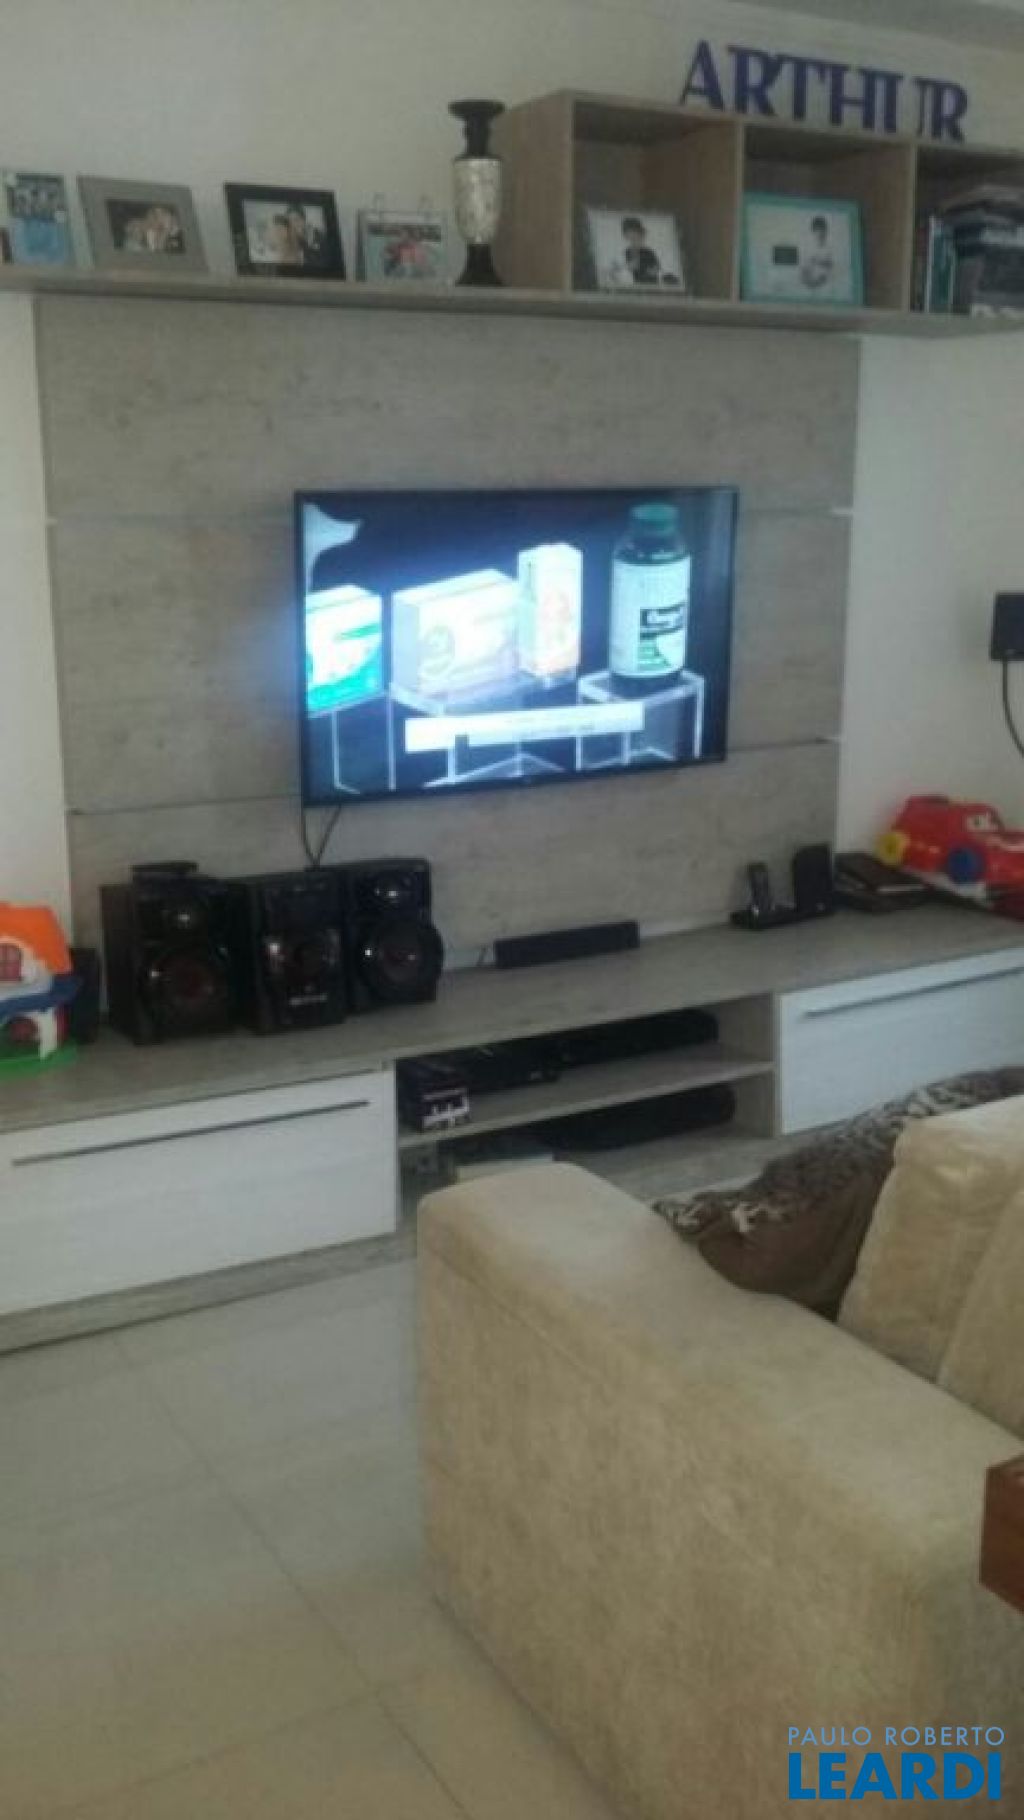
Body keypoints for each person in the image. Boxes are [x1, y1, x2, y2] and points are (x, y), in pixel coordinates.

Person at [620, 215, 662, 285]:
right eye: (632, 238)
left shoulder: (648, 252)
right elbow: (630, 267)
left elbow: (656, 267)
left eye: (636, 235)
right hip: (638, 284)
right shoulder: (628, 252)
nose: (635, 239)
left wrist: (652, 270)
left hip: (651, 284)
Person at [800, 215, 834, 292]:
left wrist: (818, 262)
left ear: (826, 231)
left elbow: (830, 268)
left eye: (823, 231)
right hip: (809, 286)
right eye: (817, 231)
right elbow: (803, 272)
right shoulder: (807, 249)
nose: (820, 233)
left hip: (825, 287)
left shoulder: (831, 249)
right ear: (813, 232)